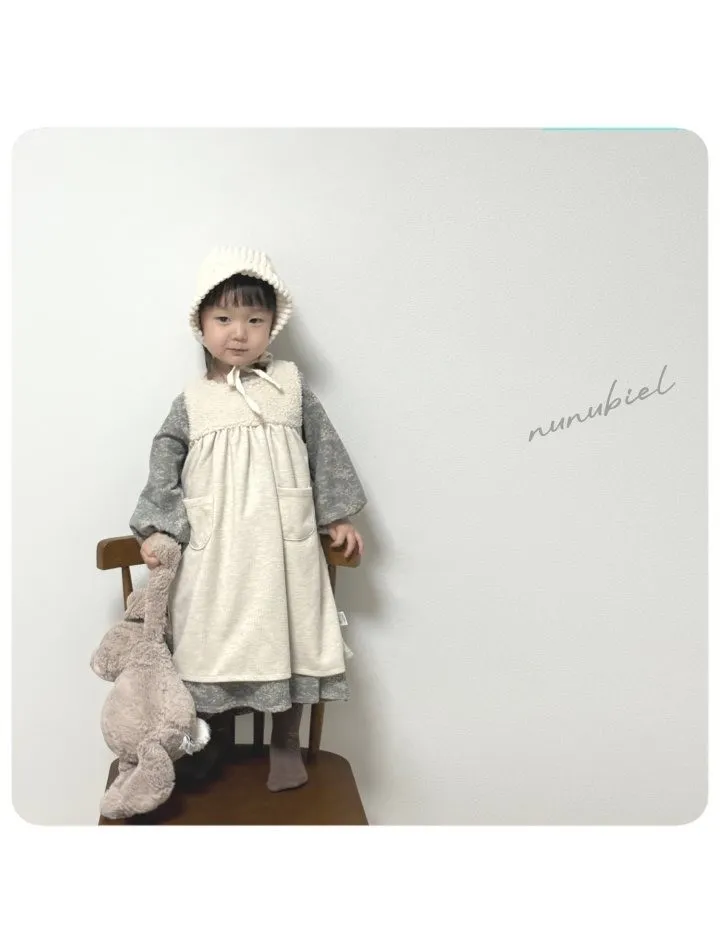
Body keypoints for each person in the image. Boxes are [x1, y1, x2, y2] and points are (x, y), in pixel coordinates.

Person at [129, 246, 366, 792]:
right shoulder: (193, 401)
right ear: (201, 324)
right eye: (224, 318)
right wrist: (160, 525)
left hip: (285, 546)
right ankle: (210, 740)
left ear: (272, 325)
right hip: (217, 549)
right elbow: (164, 458)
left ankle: (285, 740)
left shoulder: (290, 386)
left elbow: (324, 448)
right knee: (212, 635)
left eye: (255, 320)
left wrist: (337, 514)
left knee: (292, 630)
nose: (239, 333)